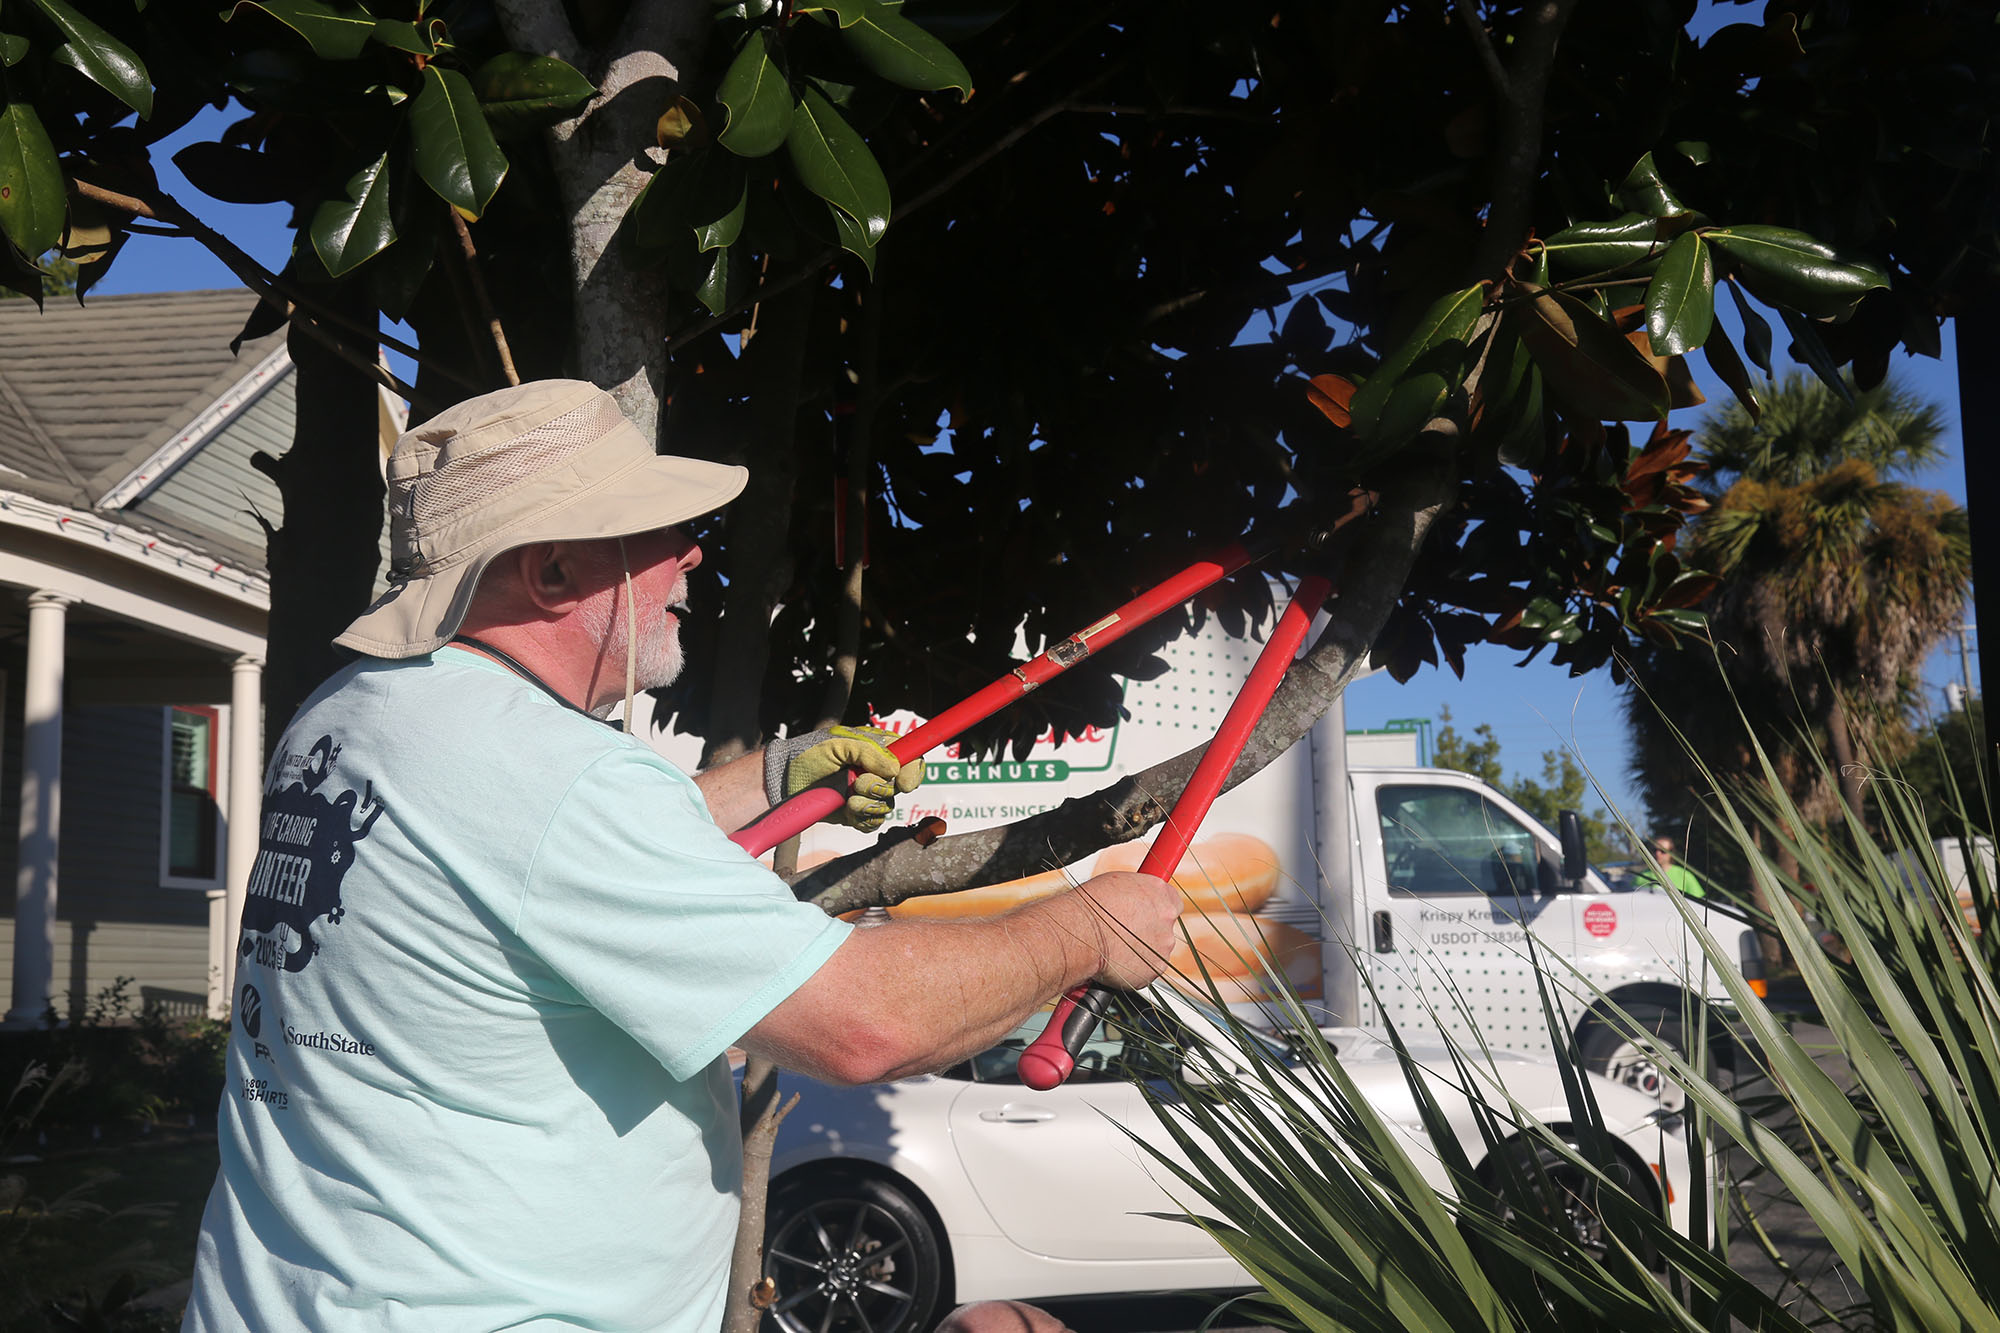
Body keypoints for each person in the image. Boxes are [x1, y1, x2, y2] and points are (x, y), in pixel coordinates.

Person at [183, 380, 1179, 1332]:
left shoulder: (355, 715)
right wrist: (1082, 928)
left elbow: (514, 870)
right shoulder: (547, 773)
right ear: (555, 573)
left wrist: (770, 777)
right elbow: (865, 1025)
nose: (691, 556)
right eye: (655, 533)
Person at [1636, 834, 1705, 898]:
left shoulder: (1685, 876)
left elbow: (1698, 903)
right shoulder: (1641, 876)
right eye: (1654, 850)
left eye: (1662, 851)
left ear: (1671, 853)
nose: (1658, 854)